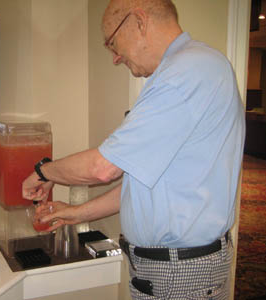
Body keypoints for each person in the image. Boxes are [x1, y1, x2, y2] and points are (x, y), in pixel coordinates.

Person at [22, 0, 245, 299]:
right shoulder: (189, 70)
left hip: (179, 273)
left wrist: (43, 171)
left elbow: (102, 168)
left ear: (139, 21)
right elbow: (141, 186)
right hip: (173, 268)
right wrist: (74, 214)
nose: (115, 57)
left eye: (112, 43)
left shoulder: (187, 72)